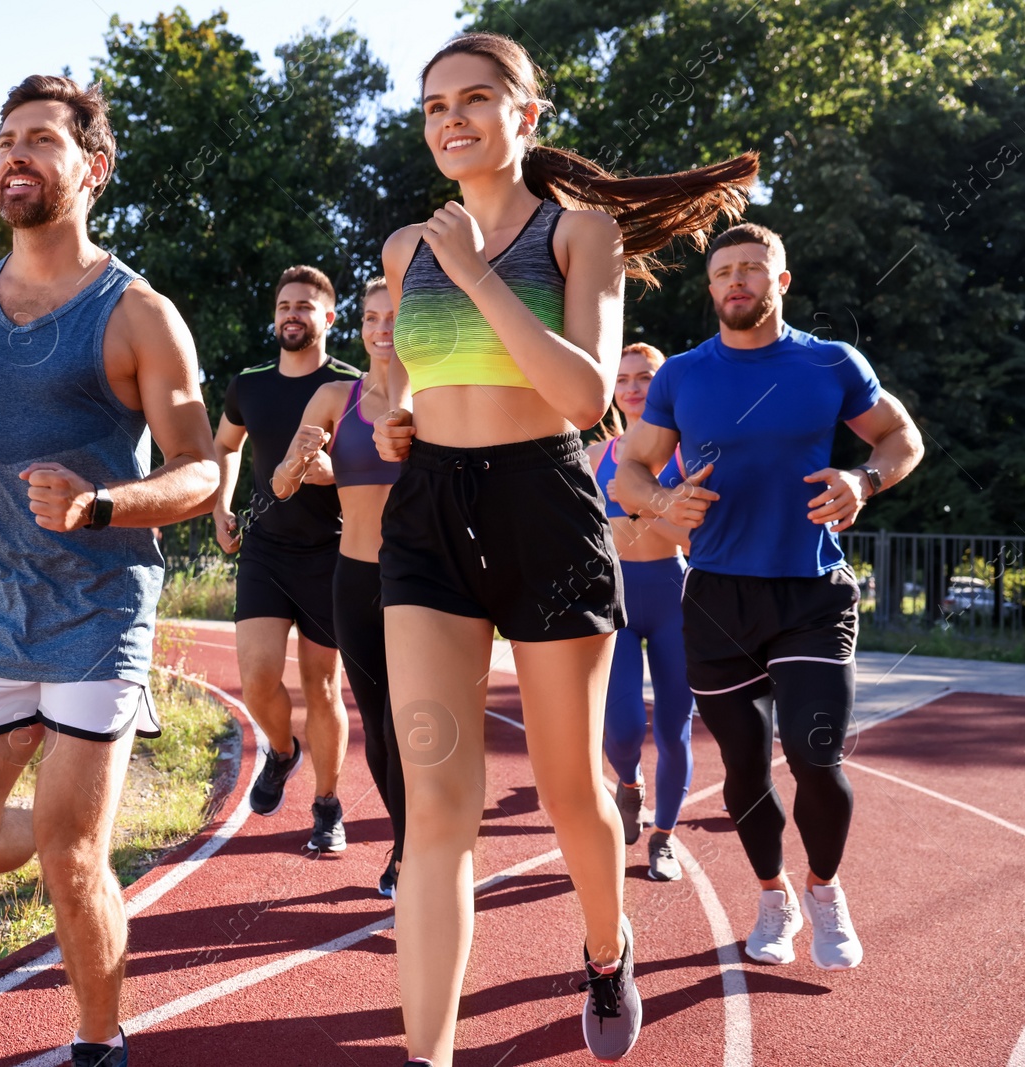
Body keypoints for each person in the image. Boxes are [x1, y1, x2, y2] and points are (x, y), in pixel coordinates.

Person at [371, 32, 757, 1065]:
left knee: (567, 785)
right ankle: (430, 1055)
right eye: (432, 106)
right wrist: (396, 412)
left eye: (474, 99)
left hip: (543, 503)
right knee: (435, 800)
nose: (449, 119)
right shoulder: (404, 248)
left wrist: (472, 270)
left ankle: (604, 943)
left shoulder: (578, 234)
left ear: (525, 116)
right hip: (427, 518)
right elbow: (398, 382)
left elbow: (585, 395)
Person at [0, 75, 218, 1067]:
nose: (14, 156)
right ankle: (65, 823)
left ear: (92, 167)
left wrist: (102, 501)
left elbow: (199, 472)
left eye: (39, 139)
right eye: (3, 141)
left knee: (76, 860)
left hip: (95, 616)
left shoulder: (138, 314)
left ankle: (97, 1042)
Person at [613, 222, 924, 972]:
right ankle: (772, 892)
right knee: (746, 769)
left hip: (812, 588)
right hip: (717, 596)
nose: (737, 281)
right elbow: (631, 472)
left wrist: (864, 480)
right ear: (710, 286)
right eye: (724, 272)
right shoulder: (684, 374)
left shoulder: (830, 363)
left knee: (816, 755)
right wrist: (660, 505)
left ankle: (823, 886)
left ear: (781, 282)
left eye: (753, 268)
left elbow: (901, 436)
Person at [213, 266, 359, 852]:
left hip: (332, 552)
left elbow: (374, 466)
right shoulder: (249, 384)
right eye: (283, 306)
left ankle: (327, 807)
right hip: (265, 550)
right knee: (257, 678)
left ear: (328, 318)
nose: (291, 315)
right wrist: (219, 507)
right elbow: (224, 445)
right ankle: (281, 751)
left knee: (322, 686)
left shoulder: (352, 384)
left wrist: (329, 473)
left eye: (304, 306)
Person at [270, 278, 405, 896]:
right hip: (354, 578)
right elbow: (280, 486)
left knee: (421, 724)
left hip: (424, 580)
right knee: (378, 724)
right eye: (373, 317)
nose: (382, 327)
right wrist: (300, 457)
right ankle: (405, 847)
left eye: (395, 316)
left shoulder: (439, 395)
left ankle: (429, 845)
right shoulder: (333, 396)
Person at [586, 343, 696, 883]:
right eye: (623, 378)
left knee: (675, 729)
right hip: (617, 598)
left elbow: (699, 541)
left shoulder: (686, 454)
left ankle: (664, 839)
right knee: (624, 725)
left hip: (672, 594)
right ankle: (628, 781)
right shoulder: (592, 457)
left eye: (646, 377)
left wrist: (642, 503)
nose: (632, 387)